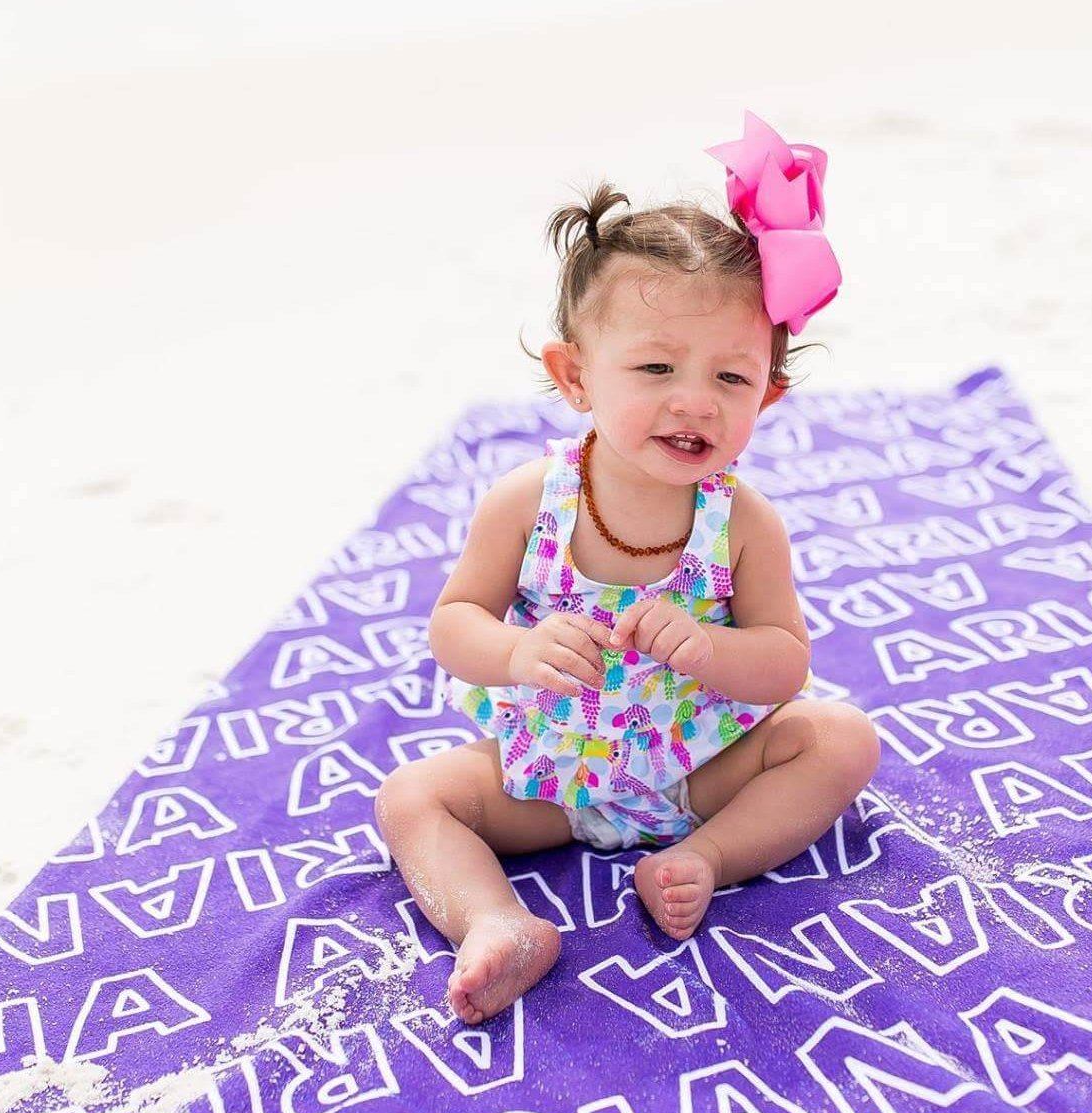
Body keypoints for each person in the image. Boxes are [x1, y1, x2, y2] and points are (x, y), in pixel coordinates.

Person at [375, 111, 880, 1025]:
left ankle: (706, 858)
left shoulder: (741, 522)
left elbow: (783, 661)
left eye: (731, 378)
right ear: (575, 378)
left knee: (842, 739)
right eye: (654, 367)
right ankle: (496, 924)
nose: (694, 400)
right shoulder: (527, 501)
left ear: (768, 390)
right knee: (411, 798)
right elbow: (453, 623)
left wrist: (705, 650)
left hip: (700, 766)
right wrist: (517, 651)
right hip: (553, 778)